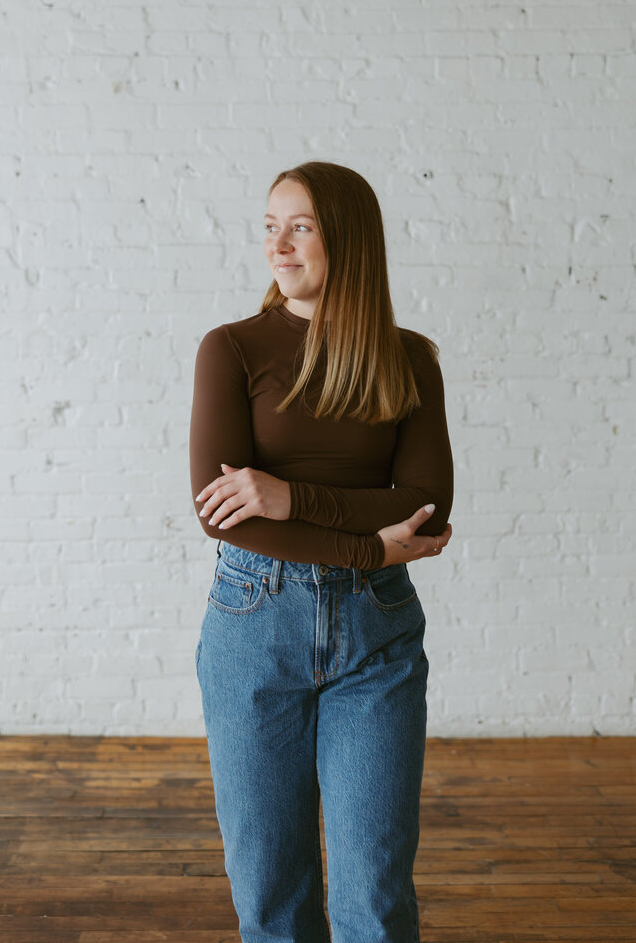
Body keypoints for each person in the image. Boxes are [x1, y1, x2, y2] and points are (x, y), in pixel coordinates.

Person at [189, 160, 453, 943]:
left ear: (349, 239)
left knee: (374, 899)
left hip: (377, 634)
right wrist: (370, 545)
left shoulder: (408, 359)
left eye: (299, 225)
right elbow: (221, 514)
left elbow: (426, 510)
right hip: (253, 626)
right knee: (270, 893)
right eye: (270, 226)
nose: (278, 244)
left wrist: (290, 496)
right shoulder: (231, 348)